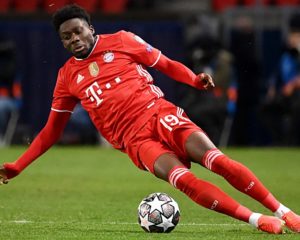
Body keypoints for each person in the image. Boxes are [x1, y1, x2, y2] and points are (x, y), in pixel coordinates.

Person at [0, 4, 299, 234]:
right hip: (136, 141)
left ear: (90, 27)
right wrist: (19, 165)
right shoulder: (66, 77)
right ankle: (257, 220)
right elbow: (51, 131)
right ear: (61, 42)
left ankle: (283, 210)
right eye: (66, 37)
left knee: (216, 160)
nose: (74, 39)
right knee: (185, 181)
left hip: (159, 114)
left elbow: (165, 63)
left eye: (77, 31)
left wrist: (194, 80)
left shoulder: (122, 40)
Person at [261, 13, 300, 145]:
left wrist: (293, 85)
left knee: (296, 106)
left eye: (295, 35)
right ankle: (280, 141)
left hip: (296, 94)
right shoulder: (286, 54)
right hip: (285, 93)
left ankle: (292, 142)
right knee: (266, 108)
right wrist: (272, 87)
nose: (292, 39)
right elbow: (277, 74)